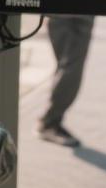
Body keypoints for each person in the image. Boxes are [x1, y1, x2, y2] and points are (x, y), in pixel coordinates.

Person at [38, 14, 95, 147]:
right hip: (75, 13)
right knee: (71, 68)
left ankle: (51, 122)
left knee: (68, 67)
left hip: (67, 11)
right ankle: (49, 122)